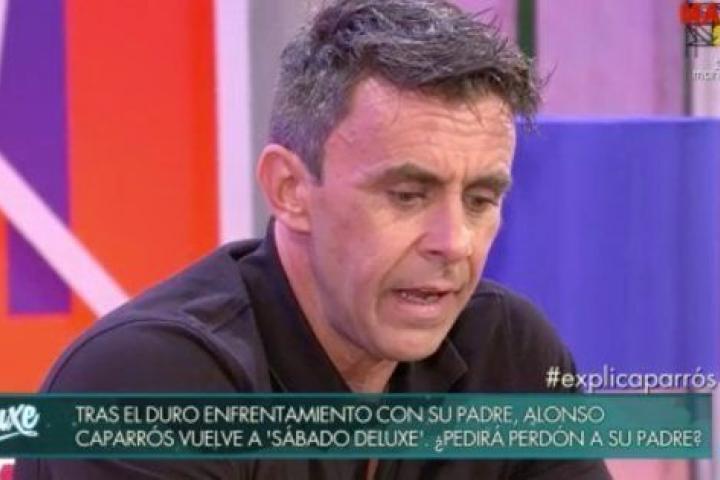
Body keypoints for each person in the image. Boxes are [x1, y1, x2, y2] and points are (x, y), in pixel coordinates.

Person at [16, 0, 611, 478]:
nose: (454, 242)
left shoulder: (507, 351)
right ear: (290, 190)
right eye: (408, 195)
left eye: (480, 200)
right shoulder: (148, 382)